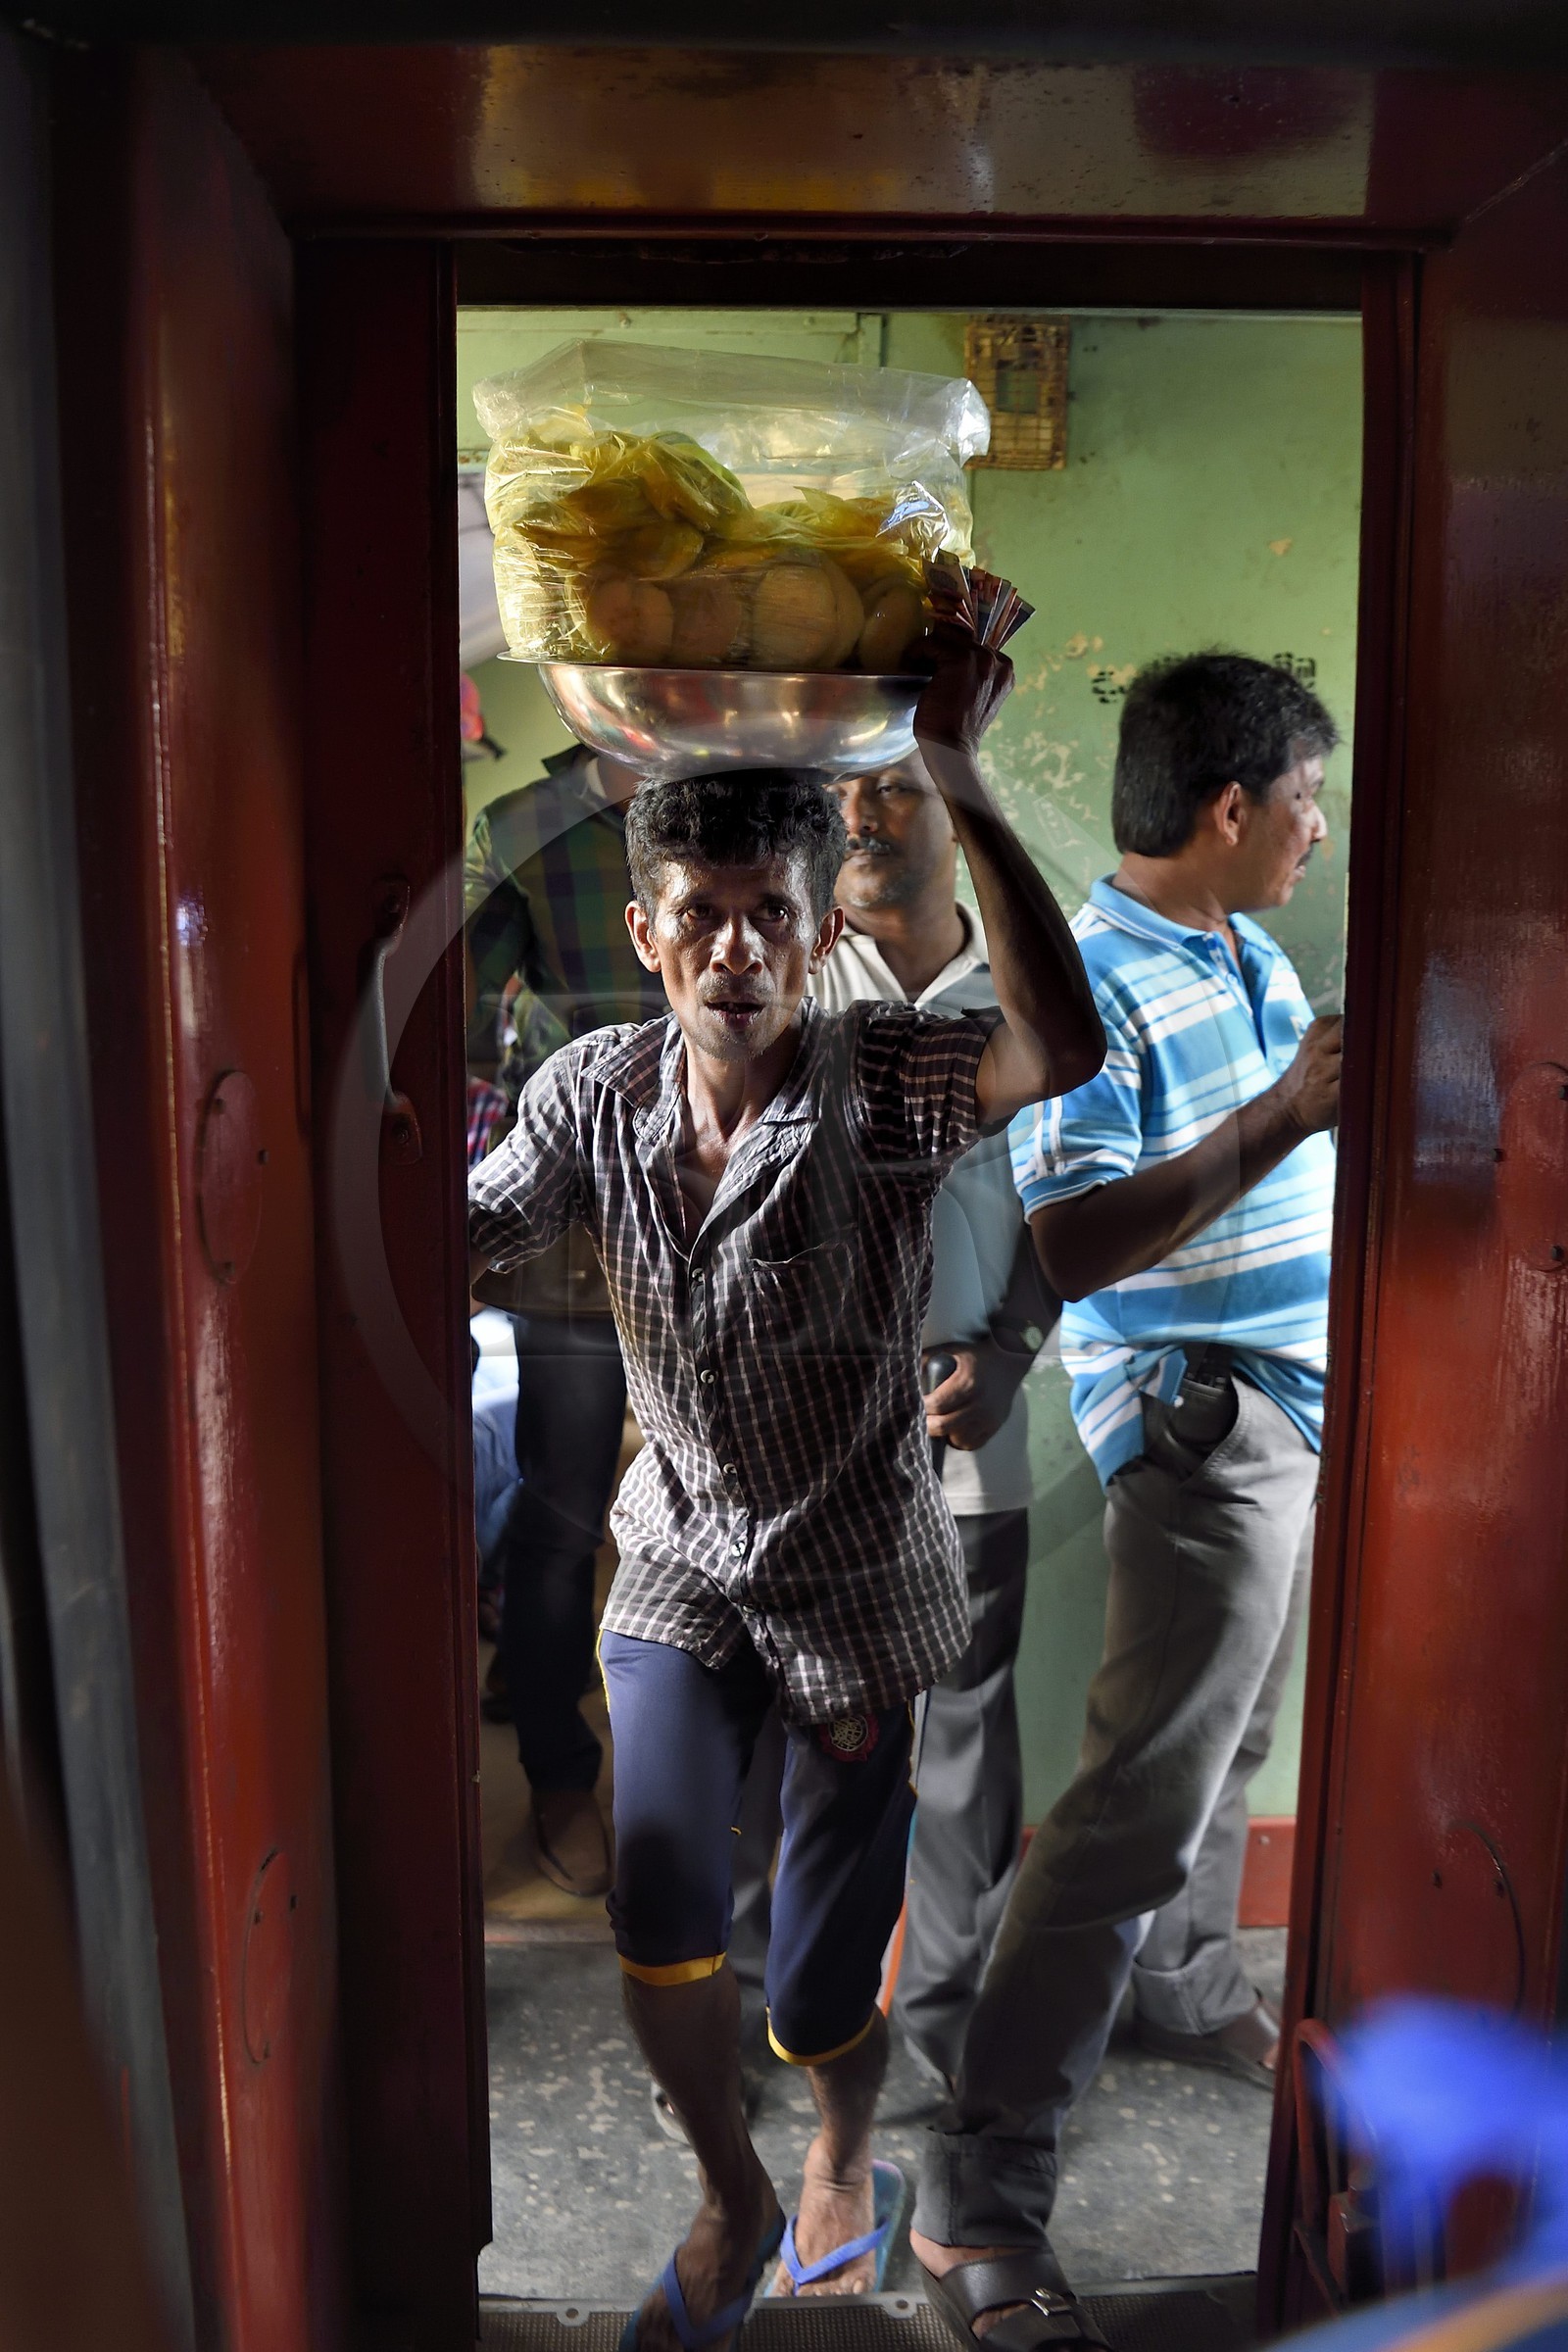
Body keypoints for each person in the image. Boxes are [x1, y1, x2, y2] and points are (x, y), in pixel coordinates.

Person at [468, 622, 1103, 2352]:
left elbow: (1059, 1050)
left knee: (820, 1985)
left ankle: (835, 2141)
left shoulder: (885, 1081)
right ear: (649, 935)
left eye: (773, 916)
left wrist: (958, 769)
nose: (736, 950)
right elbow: (467, 1225)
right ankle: (731, 2195)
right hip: (681, 1560)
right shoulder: (590, 1093)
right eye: (703, 915)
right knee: (662, 1919)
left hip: (860, 1577)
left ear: (821, 934)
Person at [910, 651, 1342, 2351]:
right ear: (1230, 810)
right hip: (1203, 1420)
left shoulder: (1242, 948)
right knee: (1133, 1807)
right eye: (1303, 802)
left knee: (1229, 1744)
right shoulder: (1092, 981)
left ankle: (1183, 1981)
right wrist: (1286, 1114)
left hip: (1294, 1403)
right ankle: (977, 2194)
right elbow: (1075, 1241)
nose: (1316, 832)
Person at [465, 742, 664, 1897]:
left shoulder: (756, 788)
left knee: (730, 1506)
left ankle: (704, 1783)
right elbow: (459, 1023)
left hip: (733, 1199)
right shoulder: (524, 825)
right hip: (578, 1207)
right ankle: (558, 1776)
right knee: (564, 1509)